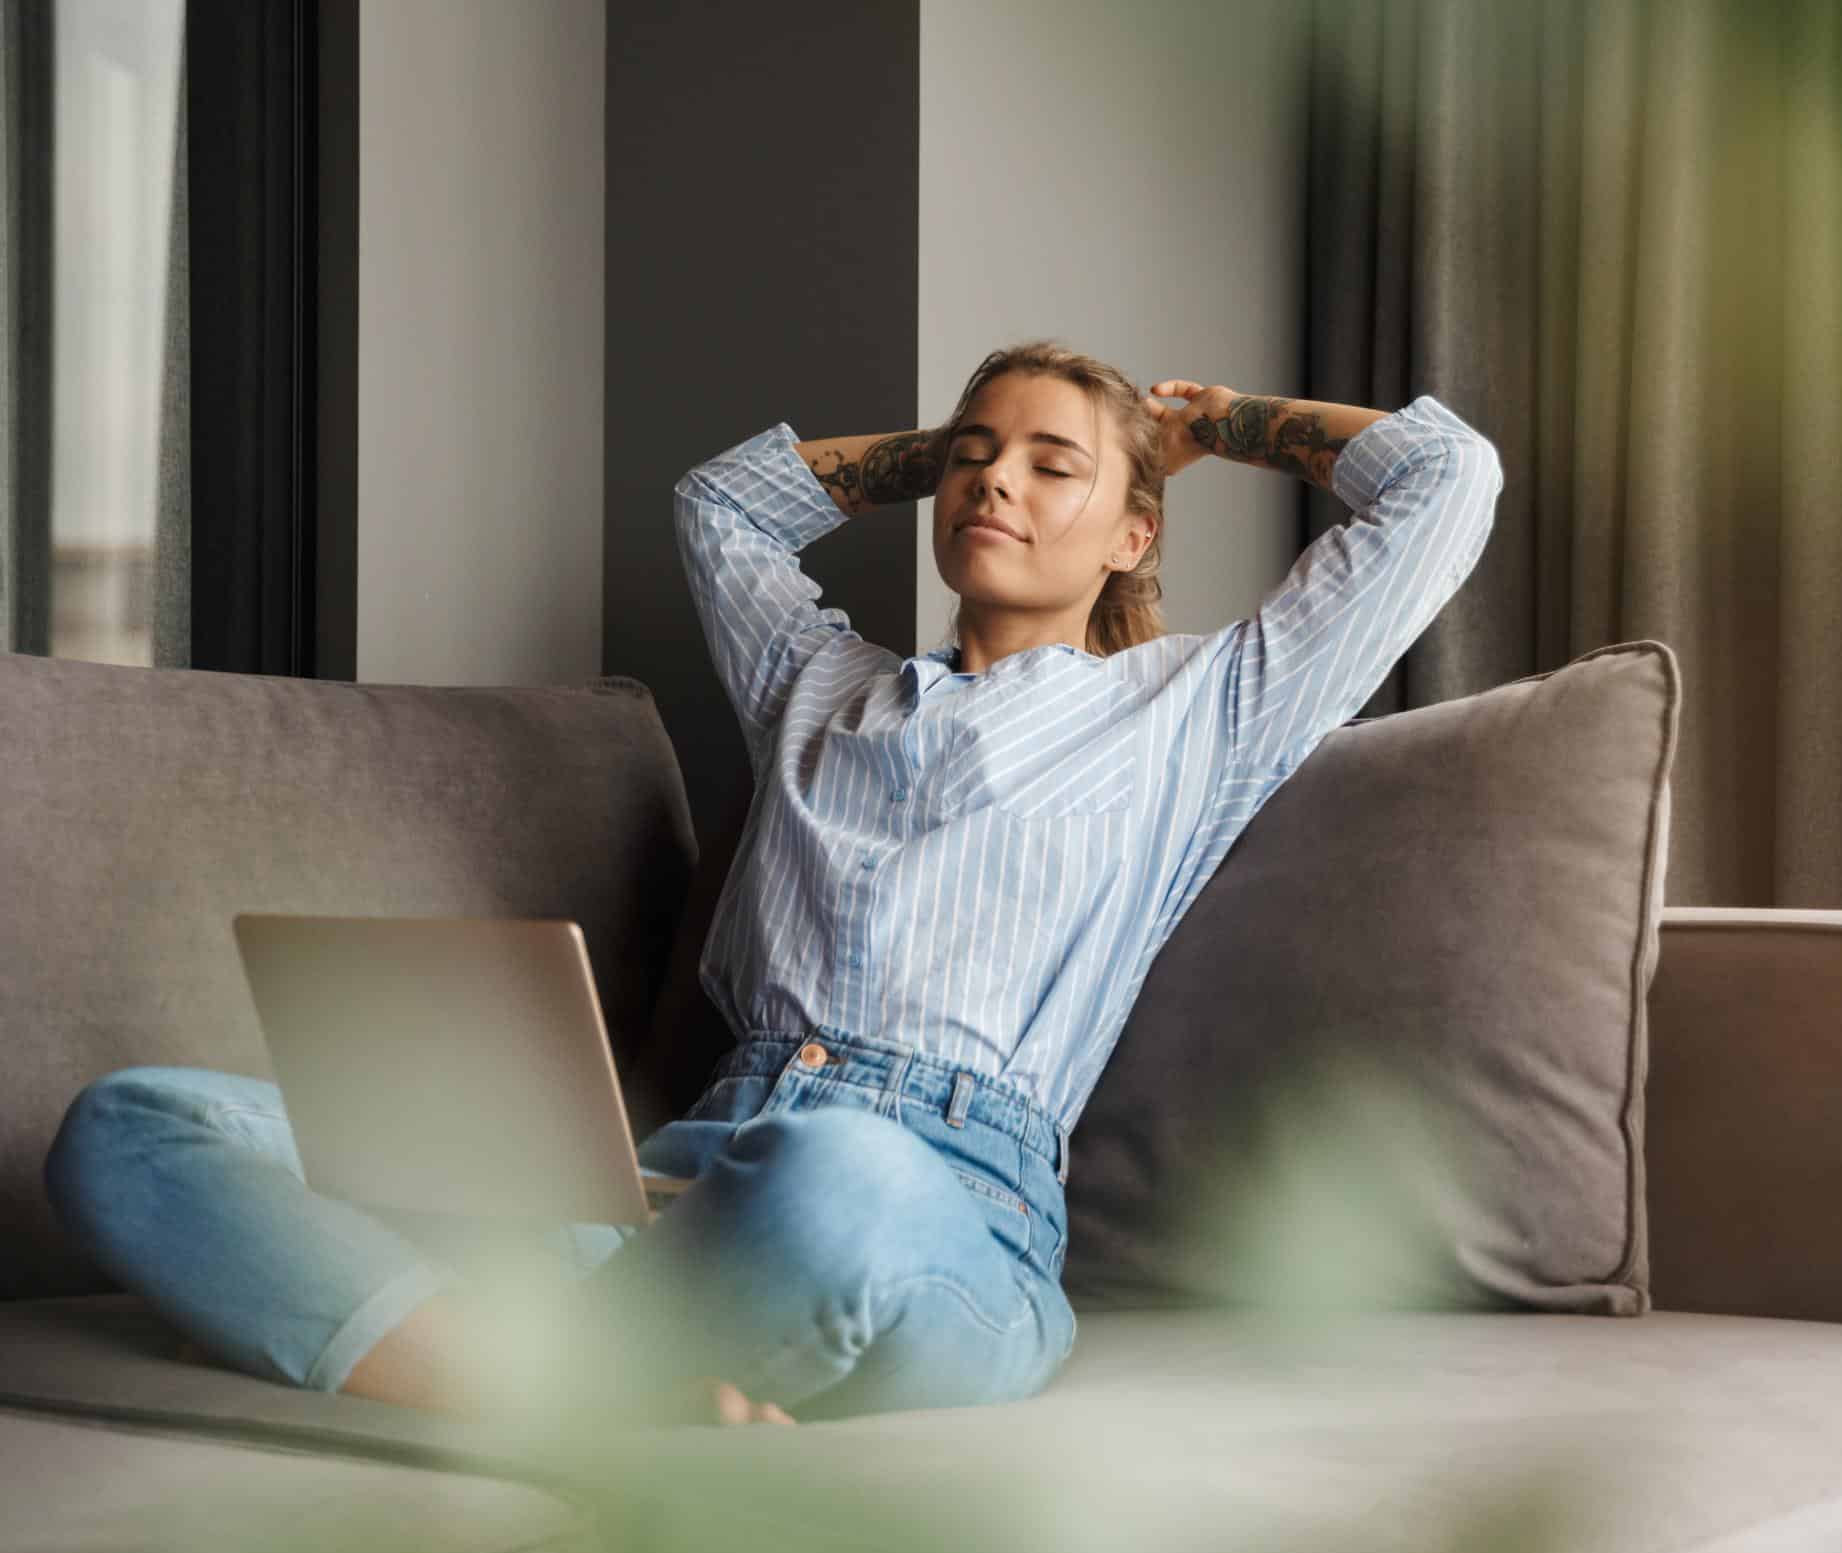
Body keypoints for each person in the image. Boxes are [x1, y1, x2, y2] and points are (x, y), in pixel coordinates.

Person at [42, 339, 1505, 1427]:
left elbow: (1444, 480)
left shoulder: (1196, 714)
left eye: (1054, 465)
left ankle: (430, 1337)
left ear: (1133, 534)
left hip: (944, 1210)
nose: (995, 475)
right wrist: (950, 442)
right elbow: (725, 507)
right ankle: (544, 1378)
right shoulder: (818, 685)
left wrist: (1200, 423)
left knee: (837, 1174)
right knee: (137, 1127)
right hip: (673, 1182)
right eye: (974, 455)